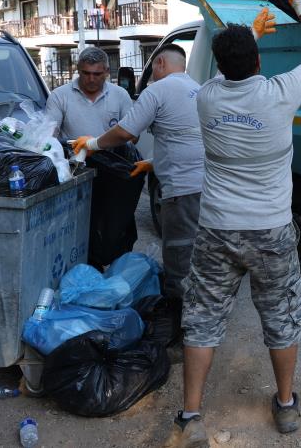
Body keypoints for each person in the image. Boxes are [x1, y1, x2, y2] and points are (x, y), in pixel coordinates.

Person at [165, 0, 301, 447]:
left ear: (221, 64)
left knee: (202, 317)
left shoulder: (207, 99)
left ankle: (191, 414)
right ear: (258, 63)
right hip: (270, 230)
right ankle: (284, 405)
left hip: (215, 229)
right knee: (280, 315)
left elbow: (225, 71)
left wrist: (248, 37)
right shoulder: (279, 94)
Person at [71, 44, 202, 304]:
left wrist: (92, 143)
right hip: (208, 186)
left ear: (160, 63)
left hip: (182, 190)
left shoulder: (157, 90)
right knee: (202, 249)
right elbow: (189, 138)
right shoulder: (199, 89)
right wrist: (153, 162)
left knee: (179, 252)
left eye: (153, 65)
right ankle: (203, 305)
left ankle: (185, 320)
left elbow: (126, 132)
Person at [44, 46, 136, 268]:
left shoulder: (120, 95)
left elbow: (133, 135)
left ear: (106, 71)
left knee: (116, 220)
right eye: (86, 73)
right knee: (83, 221)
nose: (91, 79)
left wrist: (106, 146)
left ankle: (117, 262)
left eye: (97, 74)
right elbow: (49, 133)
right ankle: (85, 263)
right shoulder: (60, 96)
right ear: (78, 71)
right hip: (77, 168)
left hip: (113, 169)